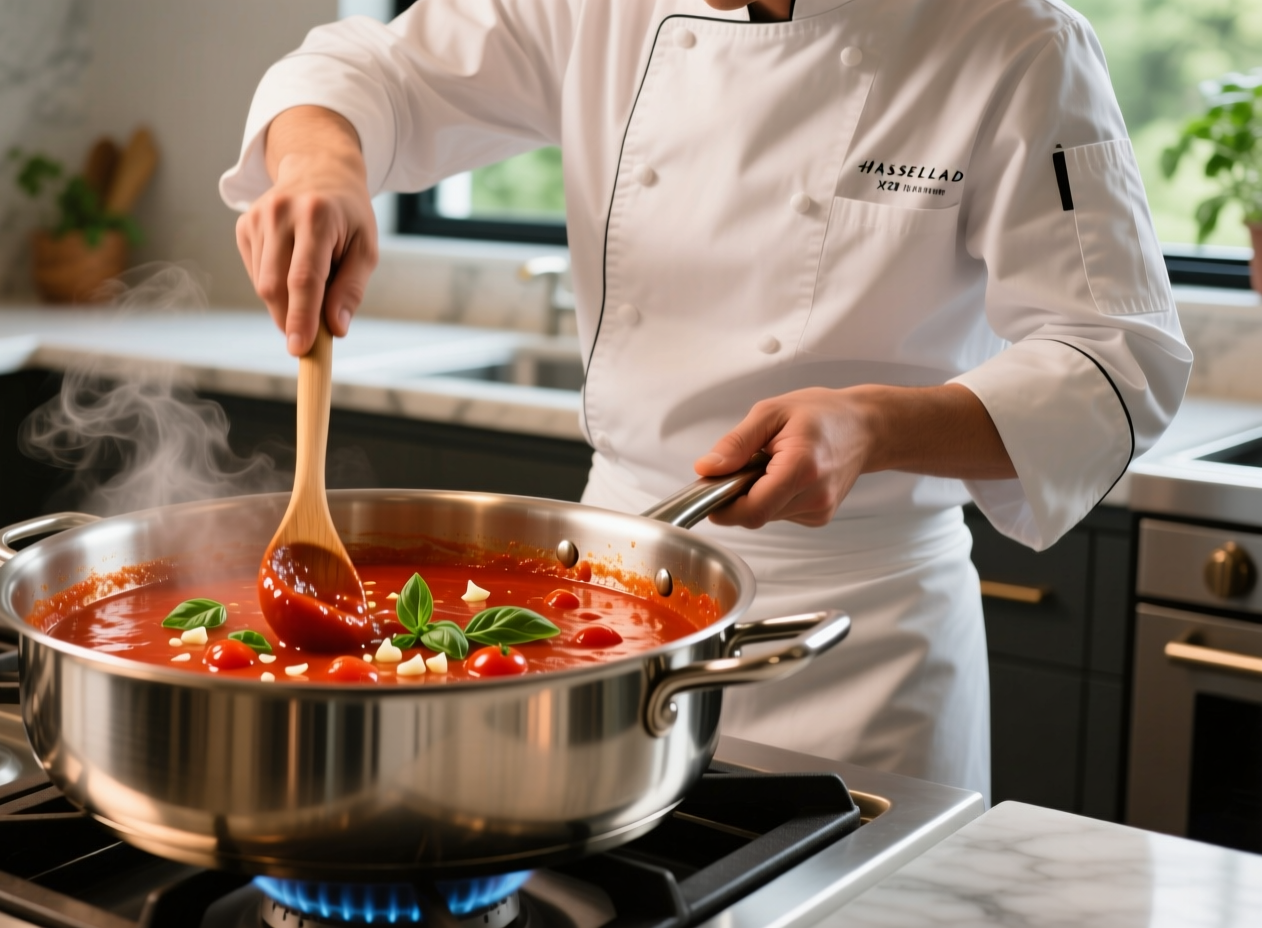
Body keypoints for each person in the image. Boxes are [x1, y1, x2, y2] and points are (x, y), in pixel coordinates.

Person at [219, 0, 1192, 797]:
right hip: (606, 610)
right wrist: (322, 170)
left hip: (857, 641)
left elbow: (1119, 357)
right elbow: (366, 69)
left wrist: (876, 424)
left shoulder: (1014, 39)